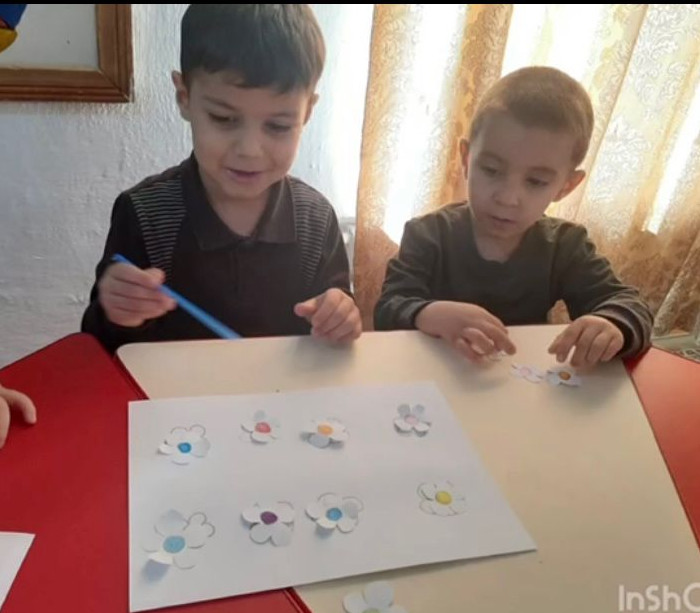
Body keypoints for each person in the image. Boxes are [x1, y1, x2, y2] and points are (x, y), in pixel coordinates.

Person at [82, 4, 361, 352]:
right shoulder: (145, 214)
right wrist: (117, 311)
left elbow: (338, 309)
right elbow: (99, 343)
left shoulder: (315, 219)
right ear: (184, 97)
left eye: (278, 126)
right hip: (173, 386)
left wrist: (341, 314)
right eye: (224, 118)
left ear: (307, 113)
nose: (250, 150)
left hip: (281, 386)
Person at [375, 66, 652, 368]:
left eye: (535, 181)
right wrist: (428, 314)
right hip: (434, 378)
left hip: (524, 382)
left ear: (566, 186)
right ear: (467, 159)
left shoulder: (565, 245)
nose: (507, 198)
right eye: (491, 170)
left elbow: (629, 305)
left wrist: (612, 325)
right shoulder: (428, 234)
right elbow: (388, 309)